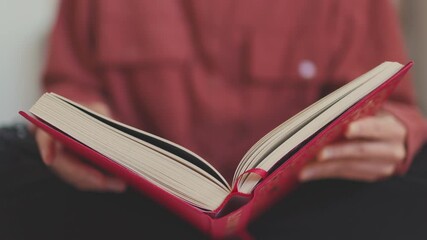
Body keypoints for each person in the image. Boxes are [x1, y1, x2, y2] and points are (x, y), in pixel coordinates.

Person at [1, 0, 427, 239]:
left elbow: (394, 106)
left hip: (300, 210)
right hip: (136, 208)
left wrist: (394, 136)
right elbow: (69, 83)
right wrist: (75, 131)